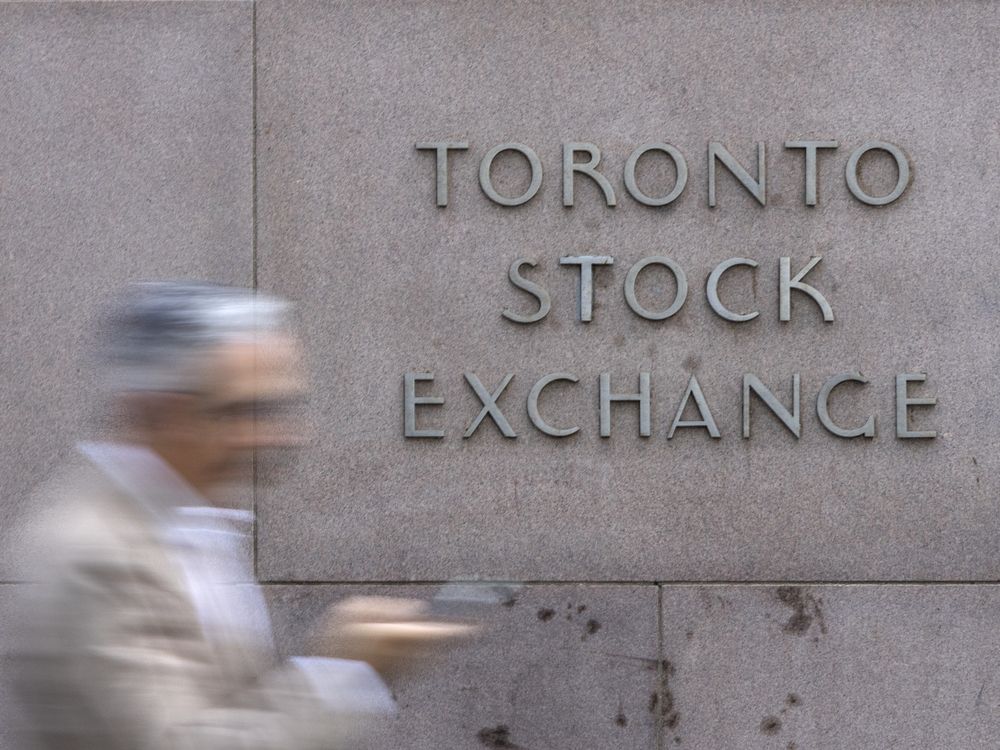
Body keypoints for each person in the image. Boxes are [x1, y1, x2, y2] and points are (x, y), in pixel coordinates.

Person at [7, 282, 469, 749]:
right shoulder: (92, 554)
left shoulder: (184, 523)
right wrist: (339, 674)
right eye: (245, 410)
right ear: (158, 411)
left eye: (280, 408)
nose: (276, 436)